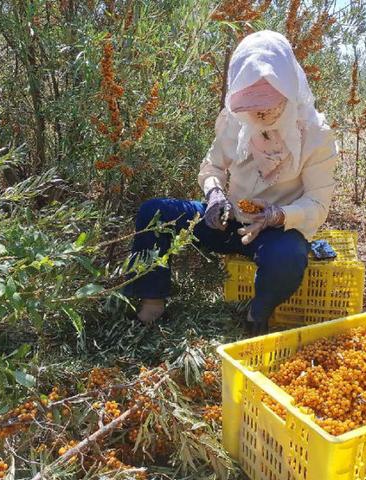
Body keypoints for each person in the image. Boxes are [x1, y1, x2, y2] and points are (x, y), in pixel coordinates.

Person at [122, 30, 338, 334]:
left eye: (267, 106)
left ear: (289, 91)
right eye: (249, 107)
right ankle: (152, 302)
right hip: (226, 220)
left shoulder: (316, 135)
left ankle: (256, 315)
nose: (258, 115)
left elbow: (318, 203)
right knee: (153, 212)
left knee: (289, 258)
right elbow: (212, 165)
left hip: (272, 232)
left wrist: (276, 215)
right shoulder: (235, 119)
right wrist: (213, 195)